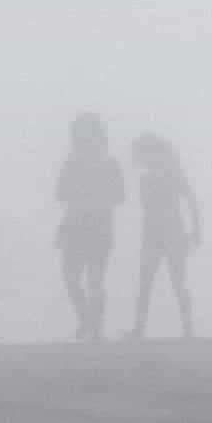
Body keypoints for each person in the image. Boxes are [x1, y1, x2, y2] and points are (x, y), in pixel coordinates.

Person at [52, 112, 124, 341]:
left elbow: (119, 196)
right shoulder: (72, 163)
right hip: (79, 224)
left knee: (93, 278)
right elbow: (60, 194)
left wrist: (88, 195)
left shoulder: (108, 164)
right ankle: (88, 320)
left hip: (94, 224)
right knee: (73, 277)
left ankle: (93, 325)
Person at [127, 132, 202, 341]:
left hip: (169, 234)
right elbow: (190, 202)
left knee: (174, 283)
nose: (142, 161)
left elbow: (191, 201)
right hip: (158, 235)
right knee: (149, 283)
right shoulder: (151, 178)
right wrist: (195, 230)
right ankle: (141, 328)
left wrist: (196, 229)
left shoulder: (170, 176)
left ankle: (186, 328)